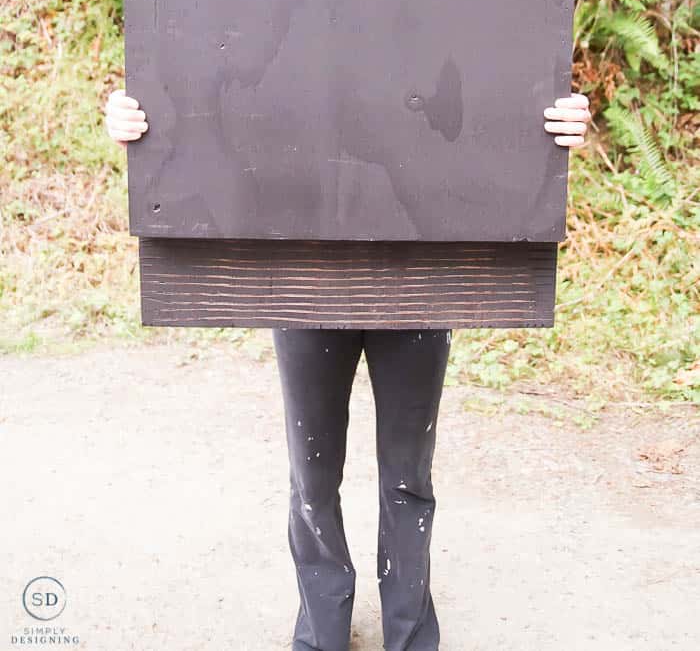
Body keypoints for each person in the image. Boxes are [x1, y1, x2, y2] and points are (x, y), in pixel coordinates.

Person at [105, 87, 590, 651]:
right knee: (312, 476)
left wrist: (547, 122)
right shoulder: (278, 9)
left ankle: (409, 635)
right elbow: (219, 85)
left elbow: (483, 85)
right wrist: (147, 120)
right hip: (303, 265)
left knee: (408, 475)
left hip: (421, 266)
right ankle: (322, 631)